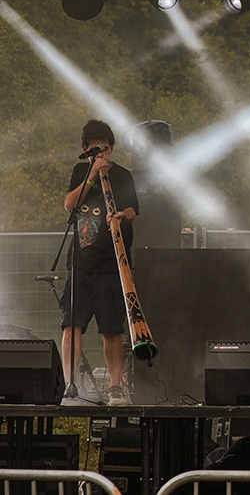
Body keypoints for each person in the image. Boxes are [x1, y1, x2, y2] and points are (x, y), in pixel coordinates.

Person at [61, 119, 139, 406]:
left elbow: (133, 210)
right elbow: (70, 204)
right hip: (81, 262)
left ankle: (115, 387)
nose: (100, 155)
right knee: (71, 325)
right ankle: (70, 386)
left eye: (104, 149)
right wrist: (92, 174)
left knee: (111, 328)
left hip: (111, 264)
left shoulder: (123, 175)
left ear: (112, 148)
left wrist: (121, 216)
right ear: (85, 151)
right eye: (94, 151)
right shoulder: (80, 172)